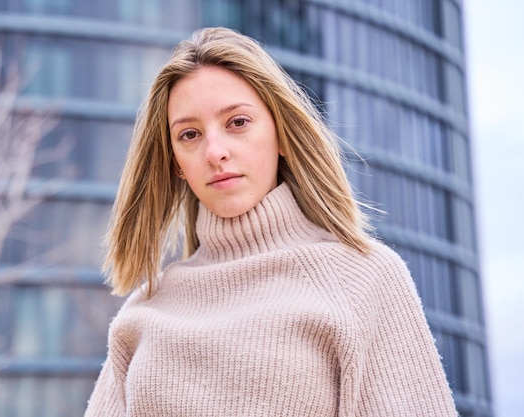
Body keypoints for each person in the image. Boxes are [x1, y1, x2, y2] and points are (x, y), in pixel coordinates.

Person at [84, 27, 458, 417]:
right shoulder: (145, 309)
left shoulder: (363, 279)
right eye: (190, 134)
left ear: (281, 135)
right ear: (175, 162)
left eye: (238, 123)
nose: (215, 152)